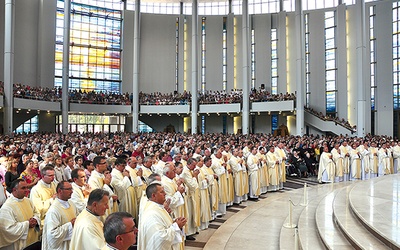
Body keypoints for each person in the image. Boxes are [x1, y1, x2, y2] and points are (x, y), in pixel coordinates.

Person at [138, 183, 187, 250]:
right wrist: (176, 226)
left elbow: (164, 225)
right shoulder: (152, 213)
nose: (165, 194)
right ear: (154, 195)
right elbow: (159, 238)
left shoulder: (158, 207)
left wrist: (174, 222)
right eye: (162, 192)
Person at [0, 179, 40, 249]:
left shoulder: (28, 200)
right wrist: (27, 224)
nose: (26, 190)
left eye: (27, 187)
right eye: (23, 188)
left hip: (33, 240)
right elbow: (7, 229)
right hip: (19, 244)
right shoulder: (7, 207)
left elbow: (36, 212)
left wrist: (35, 219)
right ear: (14, 190)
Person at [42, 181, 78, 250]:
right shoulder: (53, 210)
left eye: (71, 189)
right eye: (69, 189)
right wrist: (70, 225)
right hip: (61, 247)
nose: (72, 191)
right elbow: (52, 234)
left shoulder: (71, 204)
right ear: (60, 191)